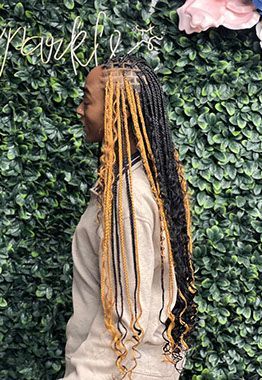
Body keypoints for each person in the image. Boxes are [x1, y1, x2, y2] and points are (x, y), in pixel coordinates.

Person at [60, 53, 198, 380]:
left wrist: (80, 374)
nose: (80, 109)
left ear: (116, 113)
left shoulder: (128, 196)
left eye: (87, 100)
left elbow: (125, 319)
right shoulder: (141, 181)